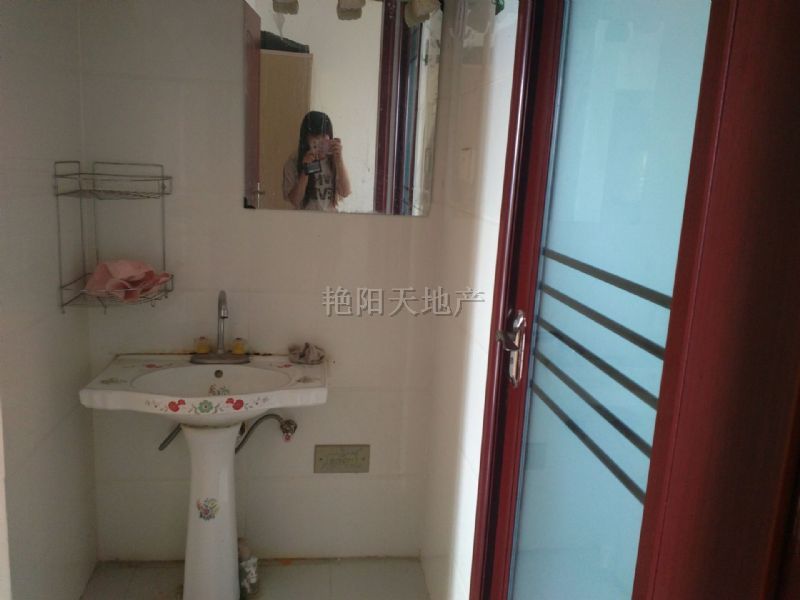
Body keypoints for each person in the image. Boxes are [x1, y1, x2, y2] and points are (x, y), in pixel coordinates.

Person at [283, 111, 352, 211]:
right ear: (306, 139)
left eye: (324, 136)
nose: (320, 141)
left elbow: (345, 192)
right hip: (304, 219)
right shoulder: (294, 162)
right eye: (316, 137)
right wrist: (306, 170)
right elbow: (295, 200)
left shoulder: (334, 161)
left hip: (330, 219)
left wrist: (339, 160)